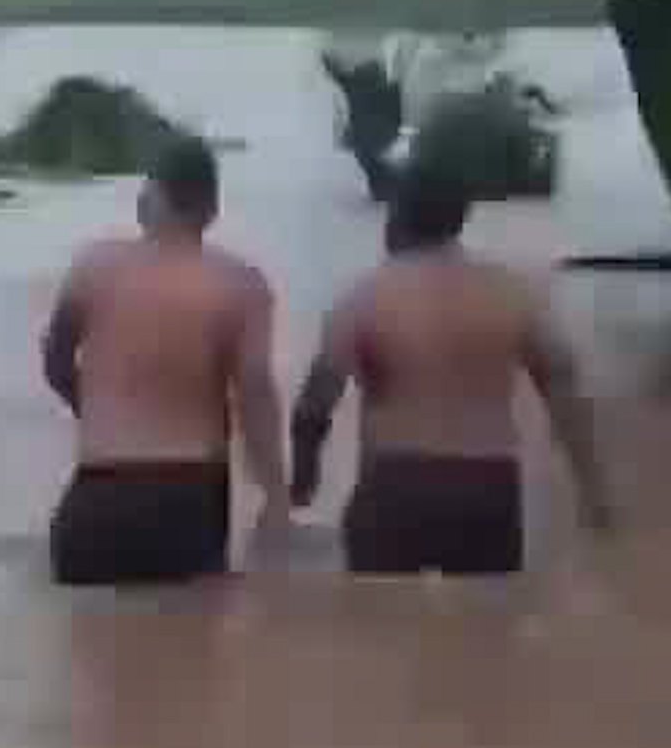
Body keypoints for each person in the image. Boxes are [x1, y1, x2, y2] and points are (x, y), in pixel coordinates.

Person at [290, 161, 616, 575]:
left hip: (394, 485)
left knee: (378, 630)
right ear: (460, 217)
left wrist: (302, 484)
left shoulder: (363, 297)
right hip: (488, 489)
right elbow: (564, 393)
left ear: (397, 215)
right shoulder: (511, 293)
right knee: (486, 632)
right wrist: (594, 492)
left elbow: (315, 404)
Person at [42, 135, 291, 586]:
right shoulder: (240, 284)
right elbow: (254, 393)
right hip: (185, 500)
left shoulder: (92, 267)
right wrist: (275, 499)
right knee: (189, 650)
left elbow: (55, 360)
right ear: (211, 210)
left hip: (95, 499)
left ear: (146, 200)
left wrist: (94, 411)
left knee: (86, 650)